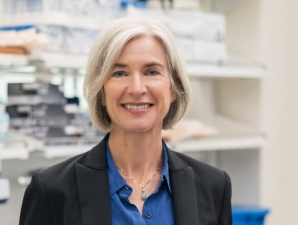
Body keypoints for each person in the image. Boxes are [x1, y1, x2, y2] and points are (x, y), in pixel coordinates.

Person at [19, 17, 232, 225]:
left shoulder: (213, 186)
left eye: (152, 72)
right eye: (120, 73)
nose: (137, 89)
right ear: (100, 91)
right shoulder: (52, 191)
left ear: (174, 87)